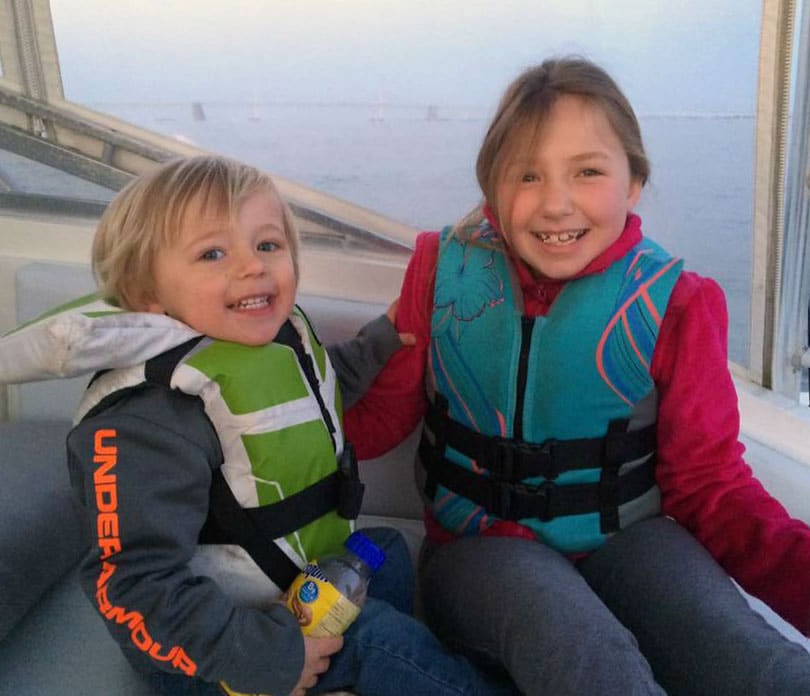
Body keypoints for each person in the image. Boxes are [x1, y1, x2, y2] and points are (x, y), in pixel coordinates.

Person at [343, 58, 810, 695]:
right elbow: (374, 426)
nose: (555, 202)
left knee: (743, 651)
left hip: (632, 541)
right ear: (493, 189)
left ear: (634, 182)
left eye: (588, 171)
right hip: (479, 551)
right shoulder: (440, 274)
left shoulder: (677, 303)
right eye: (527, 174)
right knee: (586, 650)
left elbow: (711, 486)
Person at [64, 155, 513, 696]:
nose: (252, 266)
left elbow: (313, 391)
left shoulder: (265, 343)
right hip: (223, 655)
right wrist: (268, 655)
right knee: (377, 641)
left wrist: (385, 337)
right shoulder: (148, 420)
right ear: (147, 296)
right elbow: (131, 586)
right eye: (212, 253)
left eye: (267, 245)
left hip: (288, 591)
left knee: (386, 550)